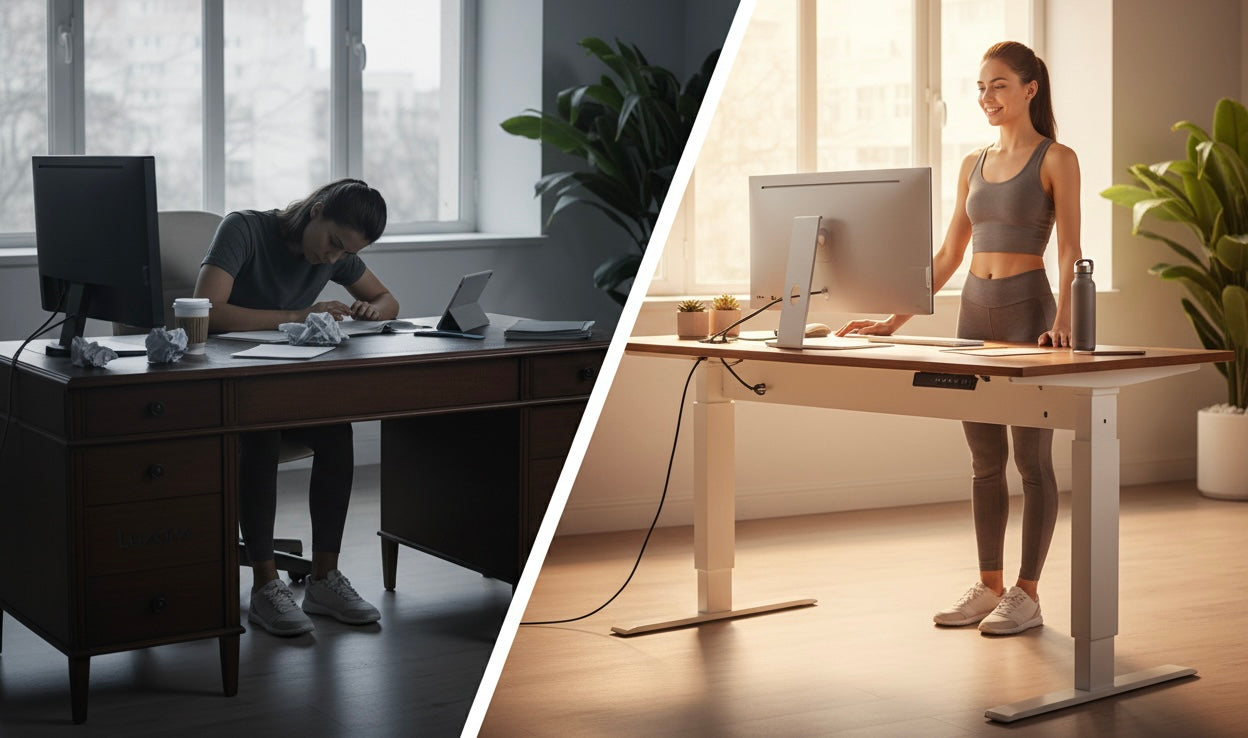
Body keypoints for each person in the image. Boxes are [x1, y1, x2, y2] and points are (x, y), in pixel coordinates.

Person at [837, 41, 1081, 635]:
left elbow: (1072, 248)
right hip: (974, 314)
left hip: (1029, 316)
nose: (986, 97)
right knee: (984, 461)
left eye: (999, 85)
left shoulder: (1056, 158)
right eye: (980, 87)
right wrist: (892, 319)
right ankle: (989, 585)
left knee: (1032, 462)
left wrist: (1065, 320)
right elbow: (949, 253)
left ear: (1029, 89)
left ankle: (1027, 594)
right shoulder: (972, 163)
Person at [194, 178, 399, 636]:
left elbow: (388, 300)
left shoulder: (334, 253)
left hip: (287, 385)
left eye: (345, 253)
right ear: (316, 210)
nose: (333, 258)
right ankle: (265, 585)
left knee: (337, 431)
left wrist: (373, 310)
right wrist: (296, 316)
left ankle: (324, 578)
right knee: (260, 435)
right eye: (333, 243)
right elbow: (208, 311)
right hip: (227, 388)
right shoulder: (243, 229)